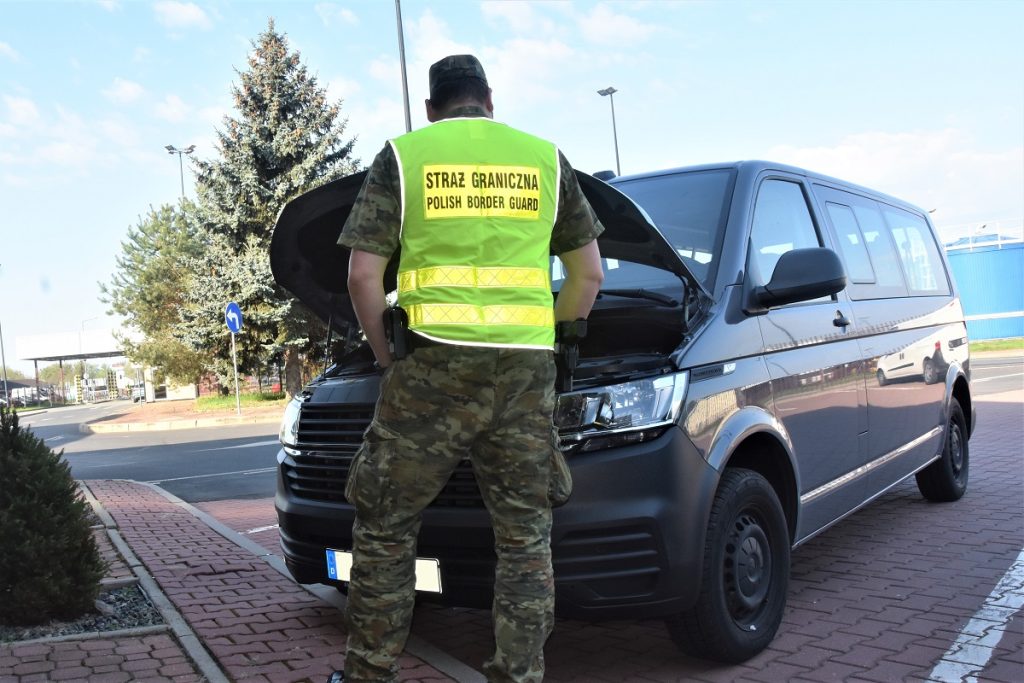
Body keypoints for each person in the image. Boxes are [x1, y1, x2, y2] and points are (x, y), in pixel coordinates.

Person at [330, 54, 604, 683]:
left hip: (430, 368)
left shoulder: (404, 156)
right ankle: (519, 673)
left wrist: (386, 357)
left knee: (387, 526)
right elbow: (589, 274)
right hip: (524, 375)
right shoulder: (544, 159)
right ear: (489, 99)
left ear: (432, 108)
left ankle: (369, 673)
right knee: (525, 538)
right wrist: (555, 341)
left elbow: (362, 276)